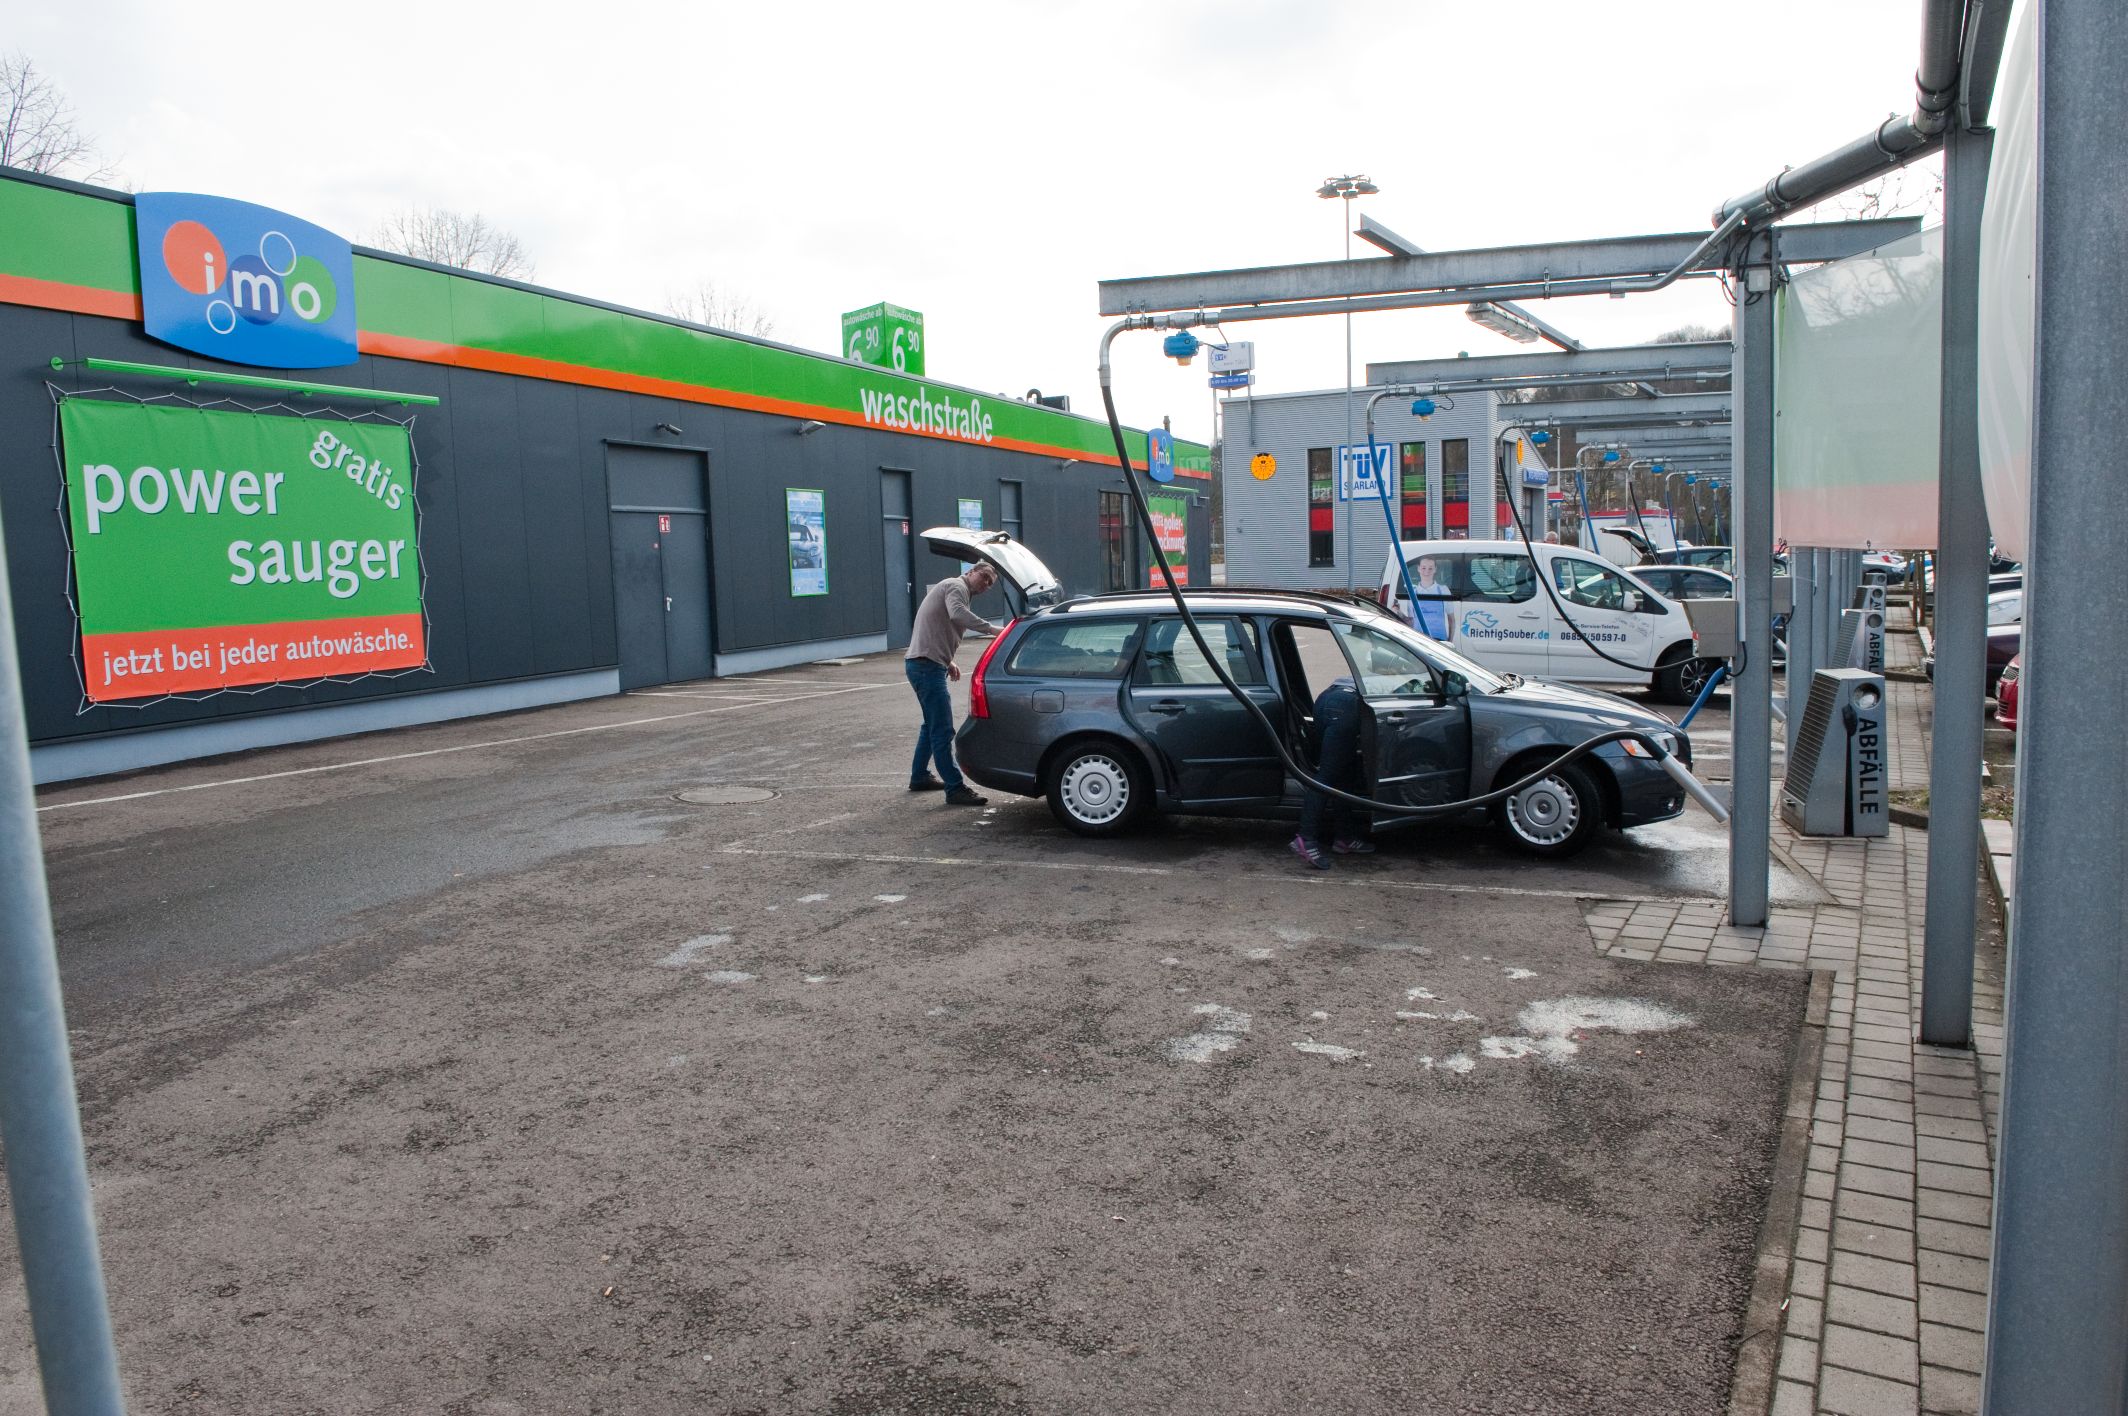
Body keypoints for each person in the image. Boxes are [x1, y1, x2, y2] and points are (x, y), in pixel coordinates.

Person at [905, 561, 1001, 805]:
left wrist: (948, 661)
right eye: (985, 577)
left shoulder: (956, 589)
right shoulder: (956, 585)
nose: (986, 585)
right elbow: (956, 614)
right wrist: (991, 629)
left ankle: (919, 777)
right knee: (943, 730)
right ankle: (955, 788)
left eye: (990, 583)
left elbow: (937, 627)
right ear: (971, 571)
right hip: (926, 667)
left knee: (931, 726)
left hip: (926, 664)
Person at [1289, 673, 1374, 869]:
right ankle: (1305, 838)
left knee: (1344, 774)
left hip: (1328, 698)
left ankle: (1344, 837)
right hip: (1346, 705)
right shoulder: (1411, 677)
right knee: (1327, 775)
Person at [1409, 554, 1451, 640]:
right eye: (1424, 568)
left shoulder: (1444, 590)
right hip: (1419, 641)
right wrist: (1398, 612)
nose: (1427, 571)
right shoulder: (1412, 593)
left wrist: (1449, 642)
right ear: (1418, 568)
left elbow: (1452, 620)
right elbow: (1411, 621)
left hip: (1440, 641)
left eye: (1430, 568)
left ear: (1435, 569)